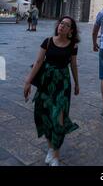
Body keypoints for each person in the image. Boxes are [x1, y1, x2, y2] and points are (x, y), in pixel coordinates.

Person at [24, 16, 80, 166]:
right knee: (45, 116)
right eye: (61, 23)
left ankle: (55, 155)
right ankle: (51, 148)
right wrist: (28, 81)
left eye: (66, 25)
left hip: (62, 85)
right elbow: (38, 62)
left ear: (71, 30)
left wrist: (77, 84)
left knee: (58, 118)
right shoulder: (47, 41)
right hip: (46, 83)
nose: (62, 26)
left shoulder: (73, 45)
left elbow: (73, 65)